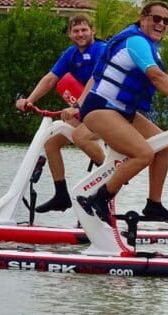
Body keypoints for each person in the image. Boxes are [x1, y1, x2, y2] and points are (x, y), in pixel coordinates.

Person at [76, 1, 168, 225]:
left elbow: (167, 79)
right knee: (144, 154)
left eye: (166, 21)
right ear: (143, 18)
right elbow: (156, 77)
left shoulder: (148, 46)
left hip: (122, 111)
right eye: (156, 19)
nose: (161, 24)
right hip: (100, 107)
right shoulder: (136, 41)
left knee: (163, 145)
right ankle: (97, 199)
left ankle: (153, 205)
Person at [16, 14, 106, 213]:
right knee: (51, 142)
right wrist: (30, 100)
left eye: (84, 30)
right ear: (69, 34)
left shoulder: (101, 49)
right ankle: (61, 195)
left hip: (106, 110)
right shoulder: (70, 53)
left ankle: (111, 172)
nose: (80, 34)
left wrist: (77, 106)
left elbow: (95, 79)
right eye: (76, 31)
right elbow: (50, 79)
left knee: (78, 135)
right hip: (85, 111)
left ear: (93, 31)